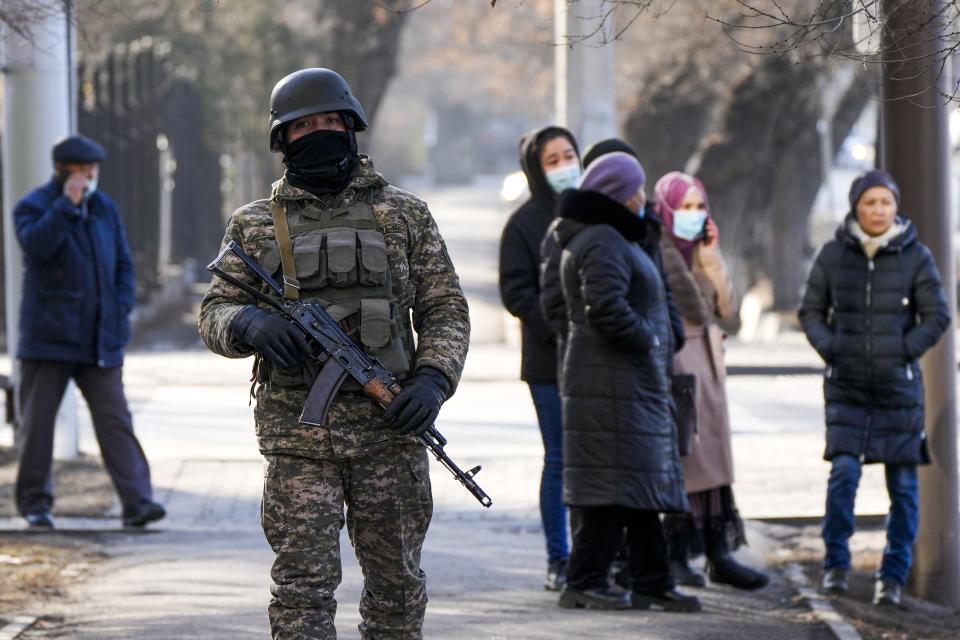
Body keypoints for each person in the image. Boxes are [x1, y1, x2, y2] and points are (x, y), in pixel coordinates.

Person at [198, 68, 470, 639]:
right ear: (283, 139)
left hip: (389, 431)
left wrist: (432, 381)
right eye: (303, 126)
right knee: (301, 591)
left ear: (351, 127)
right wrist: (248, 322)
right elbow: (213, 312)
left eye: (329, 121)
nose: (318, 132)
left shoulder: (404, 214)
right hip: (298, 439)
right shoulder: (252, 225)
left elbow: (445, 310)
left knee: (396, 587)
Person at [546, 152, 699, 613]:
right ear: (616, 192)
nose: (642, 196)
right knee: (609, 490)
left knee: (638, 485)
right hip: (609, 382)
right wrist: (650, 339)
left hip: (626, 382)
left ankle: (652, 579)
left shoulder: (614, 235)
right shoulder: (601, 240)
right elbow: (606, 308)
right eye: (637, 187)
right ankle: (586, 581)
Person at [799, 169, 949, 607]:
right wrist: (833, 350)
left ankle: (893, 577)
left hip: (898, 391)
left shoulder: (915, 255)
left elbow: (937, 315)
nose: (878, 210)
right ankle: (836, 568)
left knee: (903, 488)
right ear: (856, 207)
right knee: (843, 476)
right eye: (870, 202)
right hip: (846, 388)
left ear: (896, 206)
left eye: (885, 201)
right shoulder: (832, 255)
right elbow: (811, 311)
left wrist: (903, 351)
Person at [13, 135, 164, 529]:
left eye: (93, 170)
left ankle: (138, 502)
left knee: (115, 421)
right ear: (63, 170)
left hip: (100, 337)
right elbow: (35, 246)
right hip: (49, 339)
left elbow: (123, 264)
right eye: (83, 170)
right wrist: (66, 206)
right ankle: (35, 505)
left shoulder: (105, 208)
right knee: (38, 425)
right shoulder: (34, 206)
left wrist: (122, 305)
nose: (90, 176)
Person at [654, 171, 768, 591]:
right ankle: (679, 551)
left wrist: (710, 256)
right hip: (679, 360)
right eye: (684, 207)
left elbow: (724, 306)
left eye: (699, 206)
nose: (693, 215)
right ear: (666, 209)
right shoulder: (658, 249)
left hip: (709, 360)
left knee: (713, 460)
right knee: (687, 459)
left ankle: (718, 551)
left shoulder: (699, 251)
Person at [498, 125, 579, 591]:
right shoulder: (525, 223)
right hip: (549, 363)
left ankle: (595, 555)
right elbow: (516, 293)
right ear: (536, 168)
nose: (566, 166)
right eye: (554, 160)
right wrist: (562, 328)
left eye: (569, 154)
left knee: (594, 460)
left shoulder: (591, 211)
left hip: (595, 361)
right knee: (561, 459)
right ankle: (559, 559)